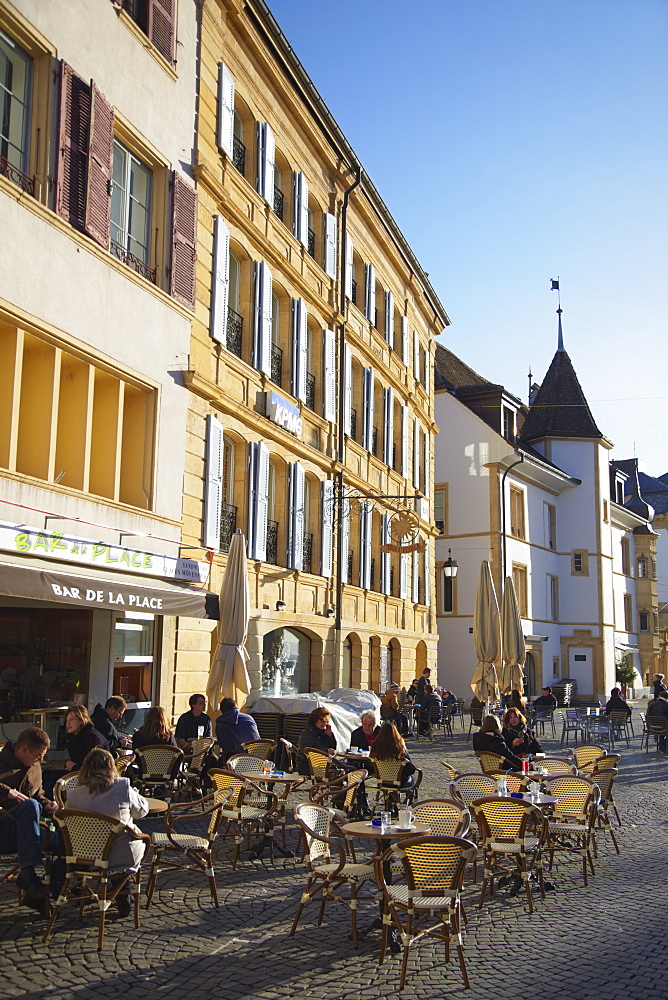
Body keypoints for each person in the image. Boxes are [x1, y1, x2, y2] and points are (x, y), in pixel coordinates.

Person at [67, 748, 149, 917]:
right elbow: (141, 811)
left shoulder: (74, 795)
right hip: (121, 854)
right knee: (134, 837)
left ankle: (117, 888)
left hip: (85, 856)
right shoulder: (122, 787)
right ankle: (123, 887)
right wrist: (133, 794)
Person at [0, 727, 57, 909]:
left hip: (27, 830)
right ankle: (28, 875)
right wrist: (7, 792)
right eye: (39, 755)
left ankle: (43, 891)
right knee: (30, 806)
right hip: (4, 827)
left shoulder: (35, 766)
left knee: (66, 841)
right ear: (24, 749)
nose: (41, 760)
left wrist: (48, 803)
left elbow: (37, 794)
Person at [369, 722, 418, 804]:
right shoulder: (400, 747)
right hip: (399, 781)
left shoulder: (375, 746)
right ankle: (409, 802)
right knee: (412, 778)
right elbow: (411, 768)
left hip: (382, 781)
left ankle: (391, 800)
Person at [63, 705, 110, 771]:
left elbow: (95, 768)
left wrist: (73, 768)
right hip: (77, 774)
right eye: (67, 720)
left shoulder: (92, 738)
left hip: (95, 777)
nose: (68, 723)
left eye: (71, 719)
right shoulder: (73, 738)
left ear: (82, 720)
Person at [297, 707, 337, 775]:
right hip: (308, 766)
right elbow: (306, 750)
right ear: (315, 720)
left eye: (326, 722)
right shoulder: (308, 733)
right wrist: (326, 751)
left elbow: (333, 747)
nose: (324, 724)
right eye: (322, 721)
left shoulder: (322, 732)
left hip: (322, 764)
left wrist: (329, 735)